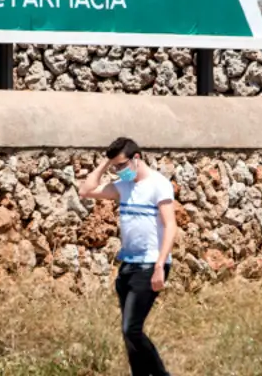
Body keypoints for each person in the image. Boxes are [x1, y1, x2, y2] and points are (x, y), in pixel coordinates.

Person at [78, 137, 178, 376]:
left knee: (131, 329)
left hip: (150, 265)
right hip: (128, 266)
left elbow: (171, 225)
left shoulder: (158, 184)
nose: (118, 171)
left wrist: (159, 265)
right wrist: (106, 162)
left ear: (137, 159)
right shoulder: (123, 187)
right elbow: (86, 190)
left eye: (121, 165)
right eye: (115, 167)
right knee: (129, 335)